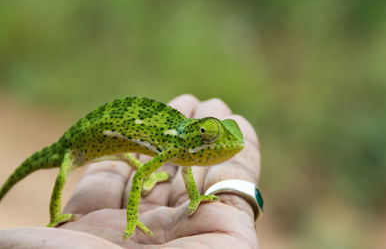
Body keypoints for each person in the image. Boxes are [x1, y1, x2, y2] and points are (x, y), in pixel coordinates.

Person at [0, 94, 262, 248]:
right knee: (63, 172)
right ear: (197, 135)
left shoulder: (180, 150)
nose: (211, 141)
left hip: (112, 143)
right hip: (72, 145)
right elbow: (139, 177)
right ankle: (55, 214)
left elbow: (186, 169)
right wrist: (132, 218)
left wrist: (195, 197)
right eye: (208, 134)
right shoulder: (176, 143)